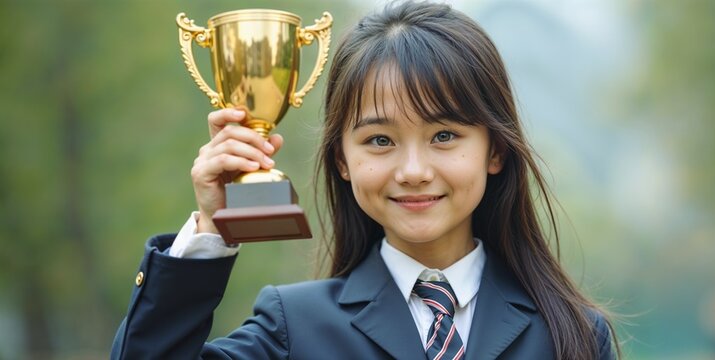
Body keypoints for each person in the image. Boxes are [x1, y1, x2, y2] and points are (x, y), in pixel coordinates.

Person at [111, 1, 618, 359]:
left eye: (444, 135)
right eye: (380, 140)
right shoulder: (293, 329)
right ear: (341, 160)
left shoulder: (570, 336)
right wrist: (213, 226)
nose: (414, 171)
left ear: (496, 150)